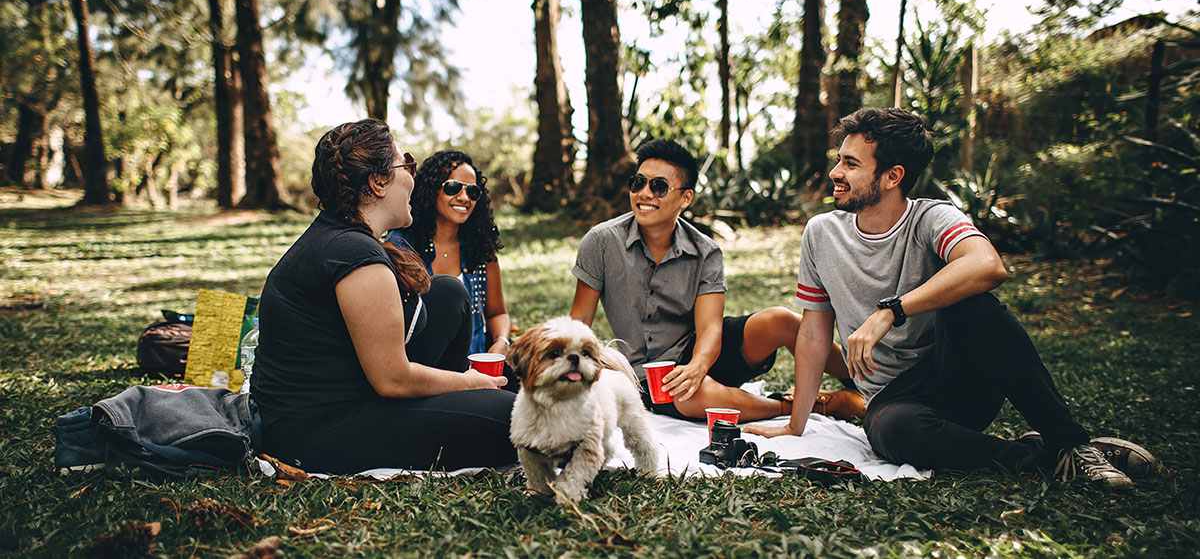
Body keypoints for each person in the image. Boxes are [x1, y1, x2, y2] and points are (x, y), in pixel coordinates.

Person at [745, 108, 1155, 492]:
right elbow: (815, 333)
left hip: (958, 377)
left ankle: (1073, 443)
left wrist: (892, 310)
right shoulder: (821, 233)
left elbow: (987, 265)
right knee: (894, 432)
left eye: (851, 164)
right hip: (894, 401)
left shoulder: (931, 217)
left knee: (974, 304)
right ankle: (1047, 455)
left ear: (892, 176)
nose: (835, 172)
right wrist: (795, 425)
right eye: (840, 159)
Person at [252, 119, 517, 474]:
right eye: (406, 164)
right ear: (378, 182)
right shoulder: (353, 254)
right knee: (515, 419)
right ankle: (472, 402)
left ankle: (467, 403)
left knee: (448, 293)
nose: (413, 177)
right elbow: (393, 379)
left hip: (354, 393)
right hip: (315, 431)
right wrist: (472, 381)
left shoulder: (344, 237)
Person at [569, 138, 859, 422]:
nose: (645, 193)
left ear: (685, 198)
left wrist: (697, 366)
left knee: (780, 320)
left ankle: (863, 380)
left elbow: (710, 328)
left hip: (702, 353)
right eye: (638, 183)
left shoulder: (705, 251)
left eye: (658, 187)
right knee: (689, 395)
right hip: (648, 375)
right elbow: (579, 321)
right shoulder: (601, 242)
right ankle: (810, 405)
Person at [384, 151, 511, 356]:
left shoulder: (479, 248)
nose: (464, 198)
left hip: (476, 367)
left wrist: (501, 342)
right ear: (431, 189)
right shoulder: (401, 247)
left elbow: (497, 313)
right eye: (453, 187)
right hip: (423, 369)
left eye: (472, 191)